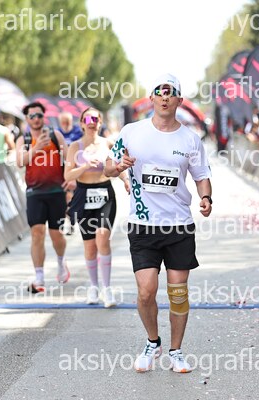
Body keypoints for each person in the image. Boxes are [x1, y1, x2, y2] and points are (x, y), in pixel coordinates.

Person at [104, 73, 212, 373]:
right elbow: (108, 167)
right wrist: (118, 166)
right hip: (143, 224)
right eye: (160, 92)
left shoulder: (190, 139)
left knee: (178, 294)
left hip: (179, 226)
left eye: (171, 92)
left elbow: (202, 175)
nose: (165, 97)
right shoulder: (131, 132)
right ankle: (153, 341)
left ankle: (176, 351)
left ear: (179, 100)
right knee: (146, 291)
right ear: (151, 98)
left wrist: (206, 198)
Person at [65, 108, 129, 307]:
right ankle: (94, 287)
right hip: (83, 195)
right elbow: (67, 175)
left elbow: (117, 166)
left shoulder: (108, 144)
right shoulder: (75, 147)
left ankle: (107, 289)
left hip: (105, 194)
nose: (92, 122)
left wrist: (126, 180)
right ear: (81, 124)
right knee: (90, 245)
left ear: (100, 123)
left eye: (95, 119)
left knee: (103, 237)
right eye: (87, 119)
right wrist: (85, 166)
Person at [16, 102, 71, 293]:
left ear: (43, 117)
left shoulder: (55, 135)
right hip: (35, 192)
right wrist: (37, 147)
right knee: (37, 232)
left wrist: (71, 181)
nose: (36, 119)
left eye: (39, 115)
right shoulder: (23, 139)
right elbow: (20, 161)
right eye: (32, 116)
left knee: (56, 234)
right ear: (27, 119)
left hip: (56, 192)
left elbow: (69, 159)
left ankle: (61, 262)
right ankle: (39, 276)